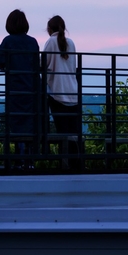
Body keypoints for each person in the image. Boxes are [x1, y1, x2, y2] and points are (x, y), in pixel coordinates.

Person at [0, 9, 42, 170]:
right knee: (31, 122)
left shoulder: (8, 41)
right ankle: (30, 159)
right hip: (33, 89)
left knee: (16, 122)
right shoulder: (32, 42)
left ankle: (19, 160)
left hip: (15, 89)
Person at [43, 15, 82, 169]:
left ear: (49, 29)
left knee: (62, 132)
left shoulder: (50, 42)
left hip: (57, 93)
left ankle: (64, 163)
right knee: (73, 134)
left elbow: (43, 64)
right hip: (73, 92)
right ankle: (76, 164)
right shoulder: (70, 43)